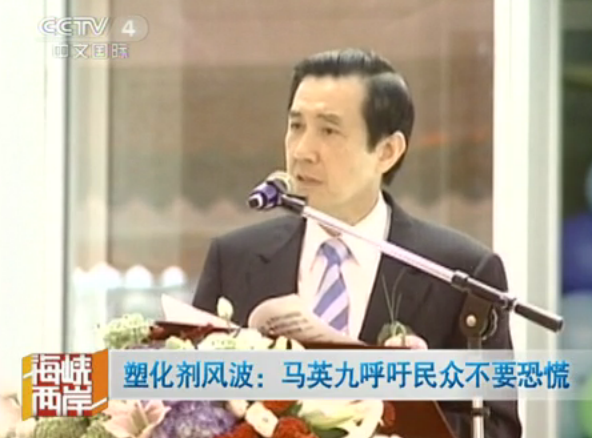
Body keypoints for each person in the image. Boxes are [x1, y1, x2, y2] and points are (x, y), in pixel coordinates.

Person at [192, 48, 522, 438]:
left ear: (387, 151)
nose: (302, 151)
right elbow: (188, 405)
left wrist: (402, 406)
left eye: (328, 130)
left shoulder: (461, 274)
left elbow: (496, 429)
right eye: (296, 126)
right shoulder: (235, 258)